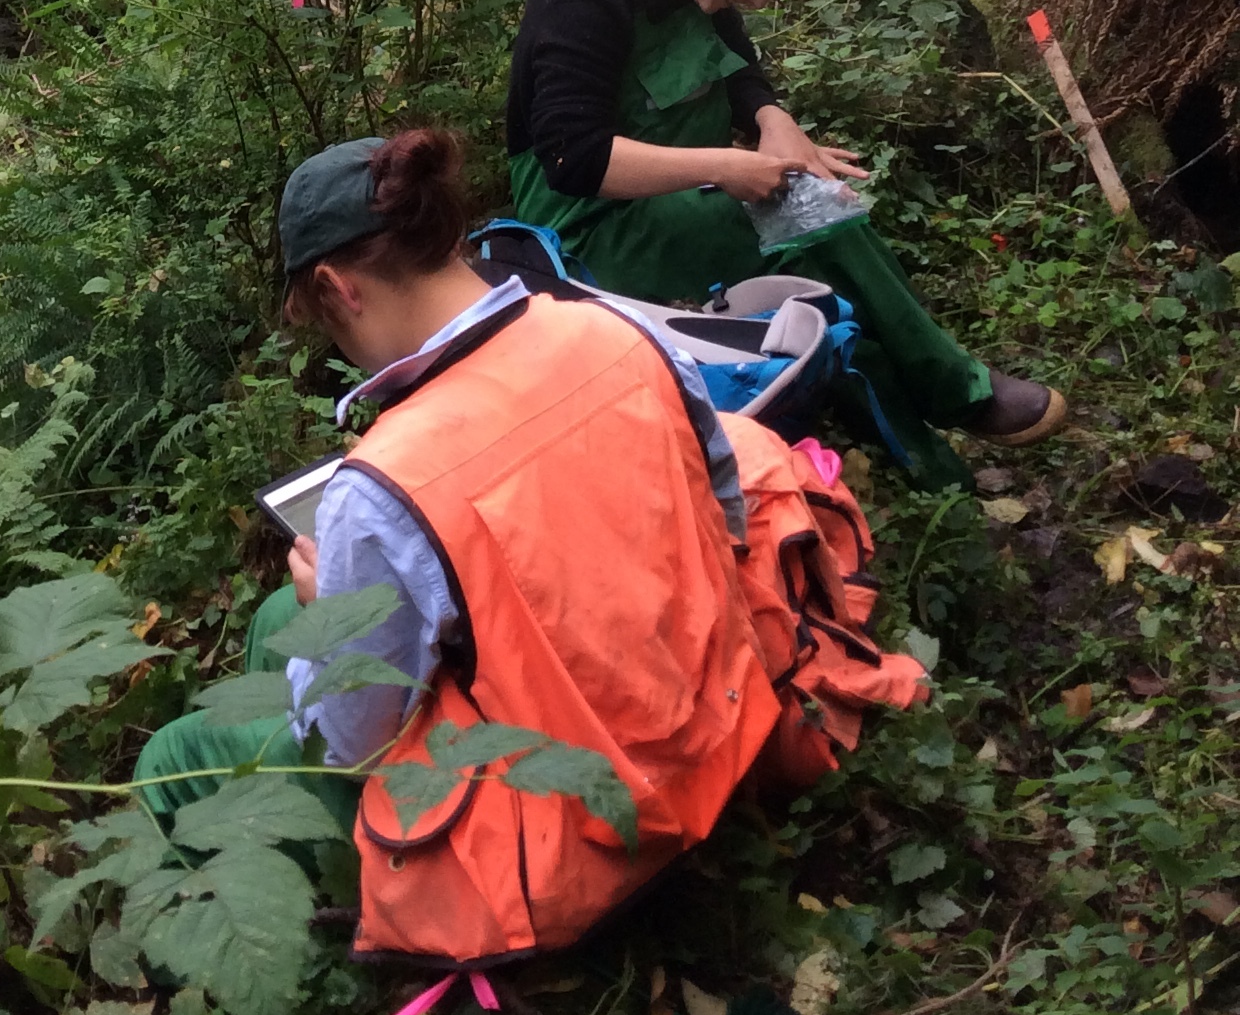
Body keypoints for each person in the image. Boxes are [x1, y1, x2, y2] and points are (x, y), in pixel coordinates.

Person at [134, 130, 926, 966]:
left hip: (573, 830)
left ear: (337, 287)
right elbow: (723, 514)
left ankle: (268, 947)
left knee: (174, 755)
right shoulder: (613, 327)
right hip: (713, 714)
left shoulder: (384, 486)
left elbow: (354, 740)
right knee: (275, 622)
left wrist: (333, 613)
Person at [505, 0, 1065, 483]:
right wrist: (726, 168)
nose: (765, 0)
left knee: (822, 216)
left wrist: (774, 122)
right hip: (590, 226)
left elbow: (739, 71)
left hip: (684, 195)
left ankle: (930, 453)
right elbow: (574, 161)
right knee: (809, 236)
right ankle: (956, 397)